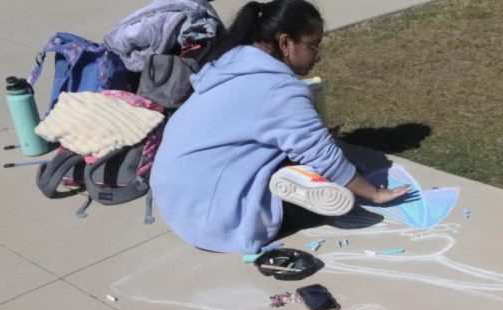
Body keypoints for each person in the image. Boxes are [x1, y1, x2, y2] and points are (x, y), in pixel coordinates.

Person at [151, 0, 409, 254]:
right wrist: (374, 194)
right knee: (341, 192)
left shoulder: (230, 65)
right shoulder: (279, 90)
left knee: (303, 160)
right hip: (217, 221)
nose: (317, 57)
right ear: (285, 42)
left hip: (176, 201)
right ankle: (291, 189)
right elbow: (324, 155)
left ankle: (291, 175)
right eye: (314, 45)